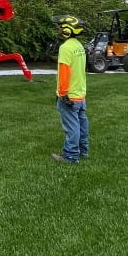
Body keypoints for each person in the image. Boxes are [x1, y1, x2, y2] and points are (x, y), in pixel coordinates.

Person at [52, 14, 89, 164]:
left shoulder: (66, 48)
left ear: (68, 30)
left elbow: (64, 73)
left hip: (69, 96)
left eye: (61, 27)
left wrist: (63, 94)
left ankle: (71, 156)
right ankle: (83, 151)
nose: (59, 29)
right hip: (80, 94)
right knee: (82, 123)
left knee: (72, 127)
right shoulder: (79, 46)